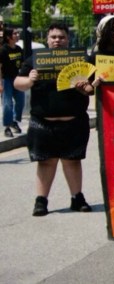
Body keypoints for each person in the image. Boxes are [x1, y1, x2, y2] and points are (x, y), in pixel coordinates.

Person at [14, 23, 93, 216]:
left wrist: (85, 88)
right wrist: (30, 80)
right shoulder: (35, 60)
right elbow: (18, 83)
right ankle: (41, 201)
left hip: (73, 120)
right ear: (47, 40)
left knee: (72, 160)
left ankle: (77, 197)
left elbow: (92, 88)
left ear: (68, 39)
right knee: (46, 162)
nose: (57, 40)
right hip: (43, 122)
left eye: (61, 37)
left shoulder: (79, 60)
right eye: (53, 37)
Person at [2, 27, 26, 137]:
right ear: (8, 37)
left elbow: (22, 64)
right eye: (15, 33)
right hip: (6, 80)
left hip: (17, 79)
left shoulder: (19, 49)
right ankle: (7, 126)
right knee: (8, 104)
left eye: (17, 33)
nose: (17, 35)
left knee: (20, 102)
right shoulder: (3, 50)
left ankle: (14, 121)